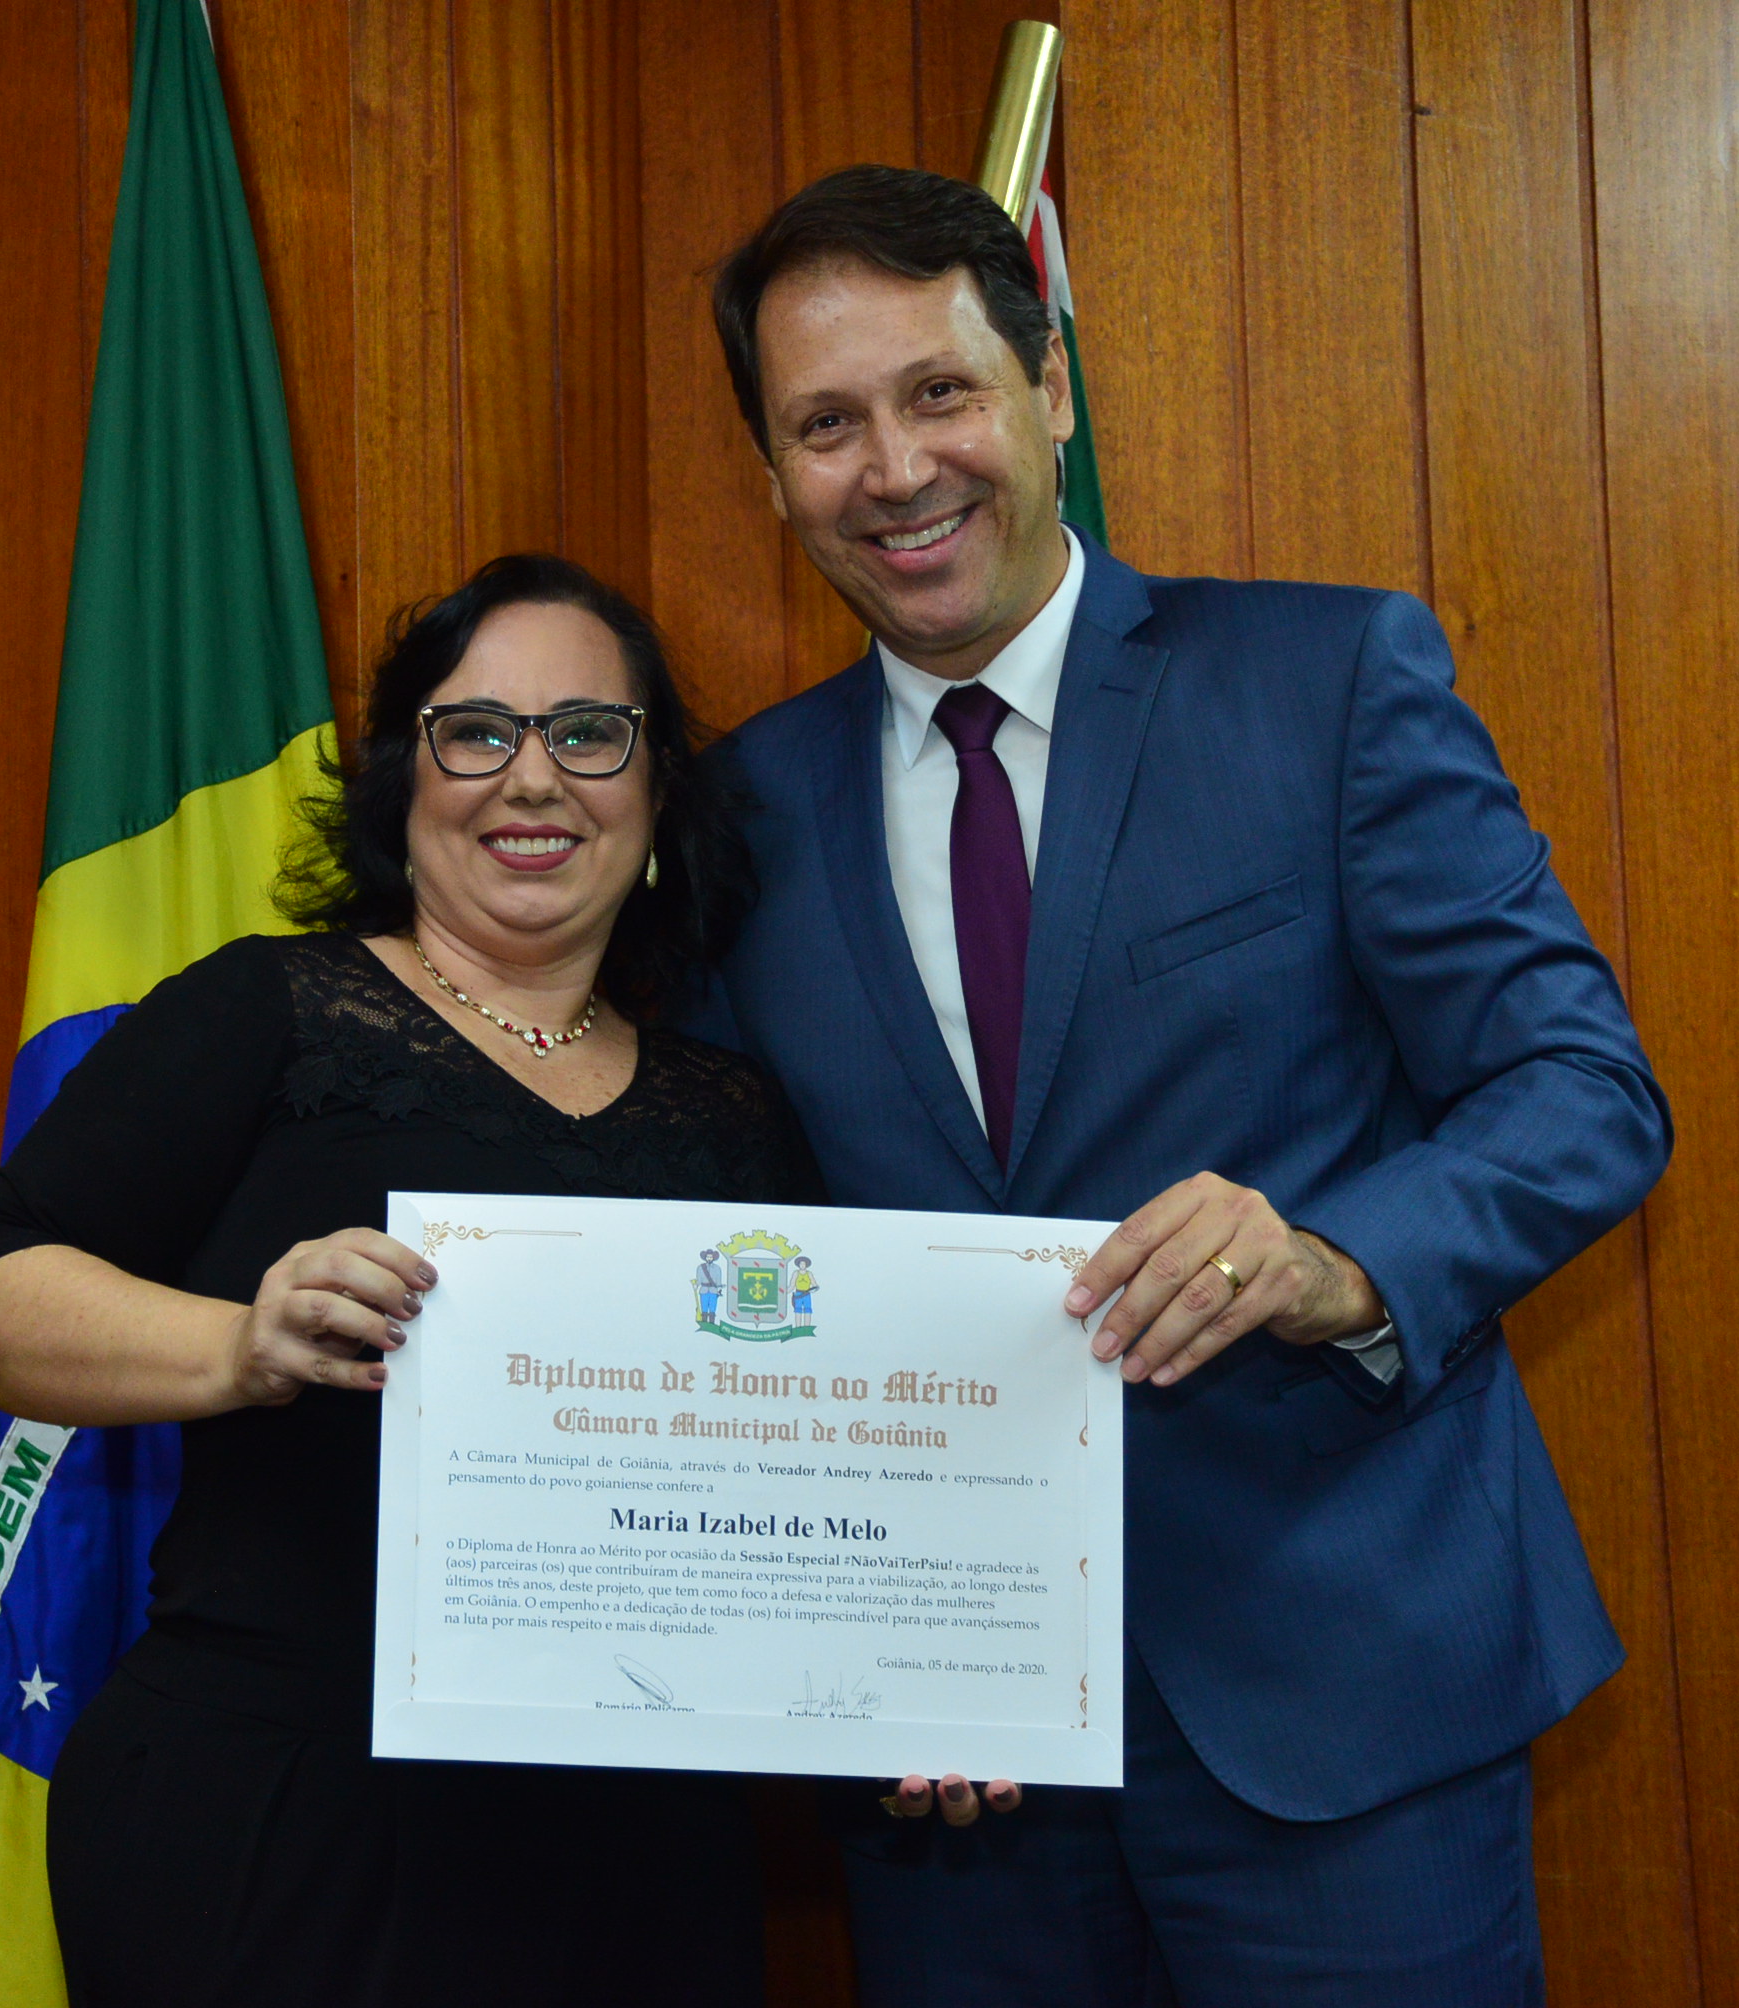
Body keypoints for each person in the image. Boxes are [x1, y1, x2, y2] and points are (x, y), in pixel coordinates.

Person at [689, 165, 1671, 2005]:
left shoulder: (1325, 681)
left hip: (1342, 1706)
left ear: (1049, 386)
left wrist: (1333, 1261)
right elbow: (738, 1248)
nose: (893, 469)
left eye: (940, 392)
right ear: (771, 475)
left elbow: (1580, 1088)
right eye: (825, 425)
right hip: (952, 1755)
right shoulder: (740, 814)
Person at [0, 553, 816, 2008]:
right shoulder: (267, 1010)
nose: (534, 778)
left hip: (640, 1855)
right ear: (406, 781)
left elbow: (808, 1474)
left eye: (591, 733)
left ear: (659, 796)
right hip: (278, 1823)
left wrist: (913, 1691)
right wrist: (243, 1346)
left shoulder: (741, 1116)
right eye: (479, 732)